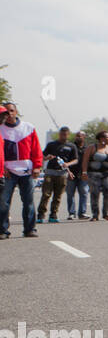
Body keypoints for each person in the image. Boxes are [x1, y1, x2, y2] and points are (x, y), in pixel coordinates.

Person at [1, 102, 43, 239]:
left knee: (28, 201)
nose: (9, 114)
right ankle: (2, 230)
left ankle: (30, 229)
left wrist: (37, 166)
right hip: (8, 172)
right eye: (6, 112)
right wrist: (3, 169)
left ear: (16, 111)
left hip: (26, 171)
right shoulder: (0, 129)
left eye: (11, 111)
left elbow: (36, 149)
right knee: (3, 202)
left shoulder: (28, 127)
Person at [37, 126, 78, 223]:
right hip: (50, 172)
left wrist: (67, 164)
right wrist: (47, 158)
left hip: (62, 173)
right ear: (59, 134)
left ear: (68, 135)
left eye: (65, 134)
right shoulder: (52, 144)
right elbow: (42, 156)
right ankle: (41, 214)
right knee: (46, 194)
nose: (63, 136)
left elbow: (76, 160)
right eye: (61, 134)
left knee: (58, 195)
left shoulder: (72, 146)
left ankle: (53, 214)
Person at [80, 130, 108, 222]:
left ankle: (106, 213)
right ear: (101, 138)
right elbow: (85, 160)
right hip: (94, 174)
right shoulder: (92, 148)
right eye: (107, 137)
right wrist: (84, 172)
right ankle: (95, 214)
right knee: (95, 193)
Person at [65, 131, 89, 219]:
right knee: (70, 194)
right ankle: (71, 213)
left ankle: (82, 213)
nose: (78, 138)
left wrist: (86, 173)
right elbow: (66, 160)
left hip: (83, 174)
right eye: (76, 136)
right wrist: (67, 172)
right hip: (71, 174)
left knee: (84, 193)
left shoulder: (88, 148)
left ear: (84, 137)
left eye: (80, 136)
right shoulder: (71, 147)